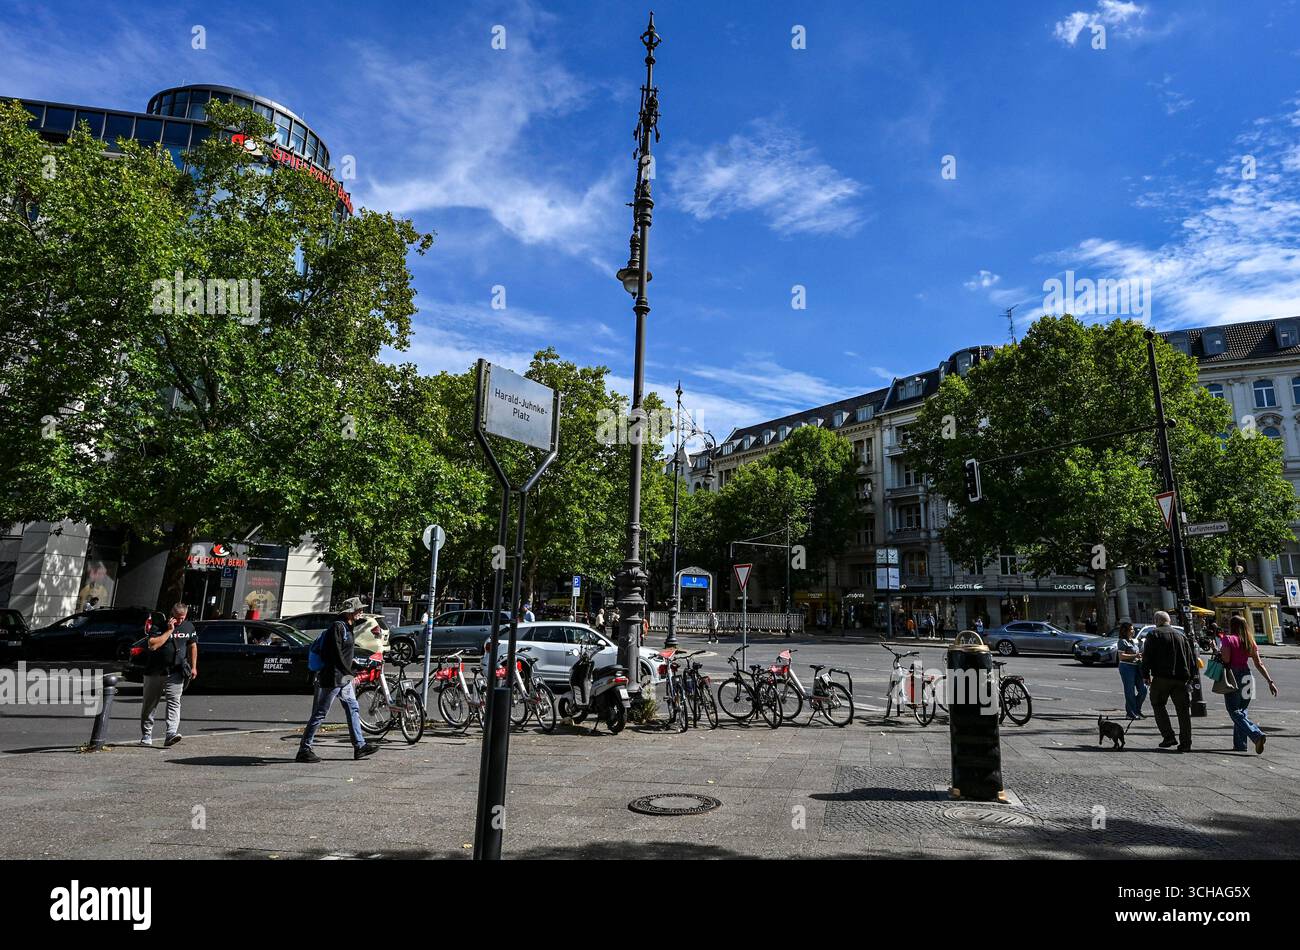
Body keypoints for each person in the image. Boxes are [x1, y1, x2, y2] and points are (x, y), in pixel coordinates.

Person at [297, 597, 378, 763]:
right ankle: (304, 750)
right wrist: (349, 671)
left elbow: (346, 654)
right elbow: (334, 654)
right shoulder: (337, 627)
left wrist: (355, 666)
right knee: (320, 713)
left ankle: (360, 746)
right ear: (349, 611)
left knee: (353, 708)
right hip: (333, 678)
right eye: (358, 609)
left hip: (343, 678)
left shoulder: (348, 627)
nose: (361, 612)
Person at [1218, 615, 1278, 754]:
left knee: (1233, 710)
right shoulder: (1250, 641)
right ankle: (1240, 745)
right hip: (1247, 676)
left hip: (1233, 676)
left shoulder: (1228, 639)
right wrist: (1270, 682)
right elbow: (1259, 663)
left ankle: (1256, 735)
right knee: (1242, 710)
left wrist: (1219, 652)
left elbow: (1226, 659)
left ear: (1232, 626)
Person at [140, 602, 197, 747]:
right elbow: (153, 645)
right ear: (172, 615)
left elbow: (192, 645)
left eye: (183, 618)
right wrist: (169, 631)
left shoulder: (189, 626)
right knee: (150, 704)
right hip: (155, 671)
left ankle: (171, 733)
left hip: (176, 671)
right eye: (177, 618)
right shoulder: (159, 626)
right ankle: (146, 734)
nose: (180, 621)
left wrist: (194, 666)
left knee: (174, 702)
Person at [1142, 610, 1196, 752]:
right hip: (1181, 678)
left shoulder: (1153, 634)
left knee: (1158, 704)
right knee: (1183, 711)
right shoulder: (1181, 636)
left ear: (1156, 621)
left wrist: (1145, 674)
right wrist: (1191, 676)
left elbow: (1147, 656)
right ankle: (1186, 742)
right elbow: (1191, 658)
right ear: (1169, 621)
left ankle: (1168, 736)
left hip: (1161, 677)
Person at [1115, 620, 1147, 720]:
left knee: (1143, 690)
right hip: (1127, 667)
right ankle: (1131, 713)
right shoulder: (1122, 641)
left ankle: (1137, 709)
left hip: (1136, 666)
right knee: (1130, 691)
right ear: (1126, 631)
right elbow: (1121, 656)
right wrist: (1135, 655)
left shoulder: (1133, 641)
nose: (1133, 631)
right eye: (1131, 629)